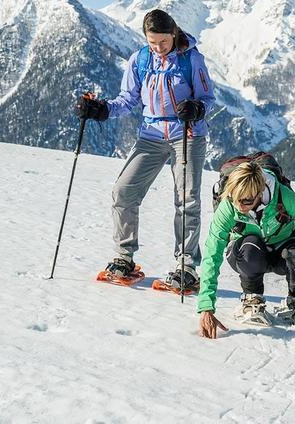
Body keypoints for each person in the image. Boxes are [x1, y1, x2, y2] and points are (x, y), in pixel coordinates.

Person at [74, 9, 215, 289]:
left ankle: (186, 266)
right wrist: (101, 110)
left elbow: (208, 98)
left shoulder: (192, 60)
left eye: (163, 42)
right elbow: (127, 100)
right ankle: (124, 258)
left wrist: (196, 108)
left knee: (186, 201)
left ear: (173, 34)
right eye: (153, 43)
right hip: (150, 135)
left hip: (186, 135)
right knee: (123, 191)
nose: (159, 49)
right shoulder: (139, 60)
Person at [197, 162, 295, 338]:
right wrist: (206, 307)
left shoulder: (281, 196)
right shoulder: (228, 206)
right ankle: (252, 297)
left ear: (260, 193)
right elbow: (211, 255)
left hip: (281, 250)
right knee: (250, 248)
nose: (240, 206)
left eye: (246, 201)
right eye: (235, 199)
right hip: (246, 252)